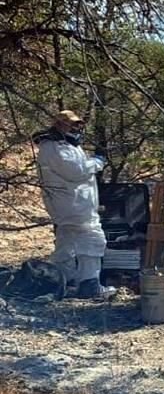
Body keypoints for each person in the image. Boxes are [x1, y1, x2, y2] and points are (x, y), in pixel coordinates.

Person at [33, 110, 116, 298]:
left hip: (69, 204)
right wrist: (98, 161)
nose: (77, 128)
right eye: (72, 124)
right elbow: (76, 171)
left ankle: (65, 281)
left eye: (78, 124)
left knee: (66, 243)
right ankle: (89, 284)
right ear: (60, 125)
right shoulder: (54, 147)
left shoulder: (64, 145)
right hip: (74, 205)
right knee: (92, 239)